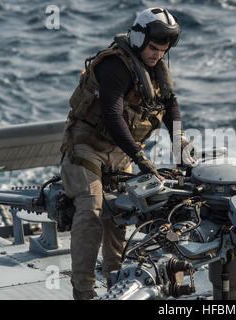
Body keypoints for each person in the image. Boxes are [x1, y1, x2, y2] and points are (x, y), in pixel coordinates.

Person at [59, 7, 194, 300]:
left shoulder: (154, 65)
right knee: (91, 211)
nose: (158, 56)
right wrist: (142, 159)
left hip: (120, 152)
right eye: (154, 48)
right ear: (137, 38)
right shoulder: (114, 66)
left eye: (163, 50)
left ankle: (116, 286)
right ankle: (83, 291)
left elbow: (170, 104)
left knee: (121, 215)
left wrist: (180, 142)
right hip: (86, 147)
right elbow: (112, 115)